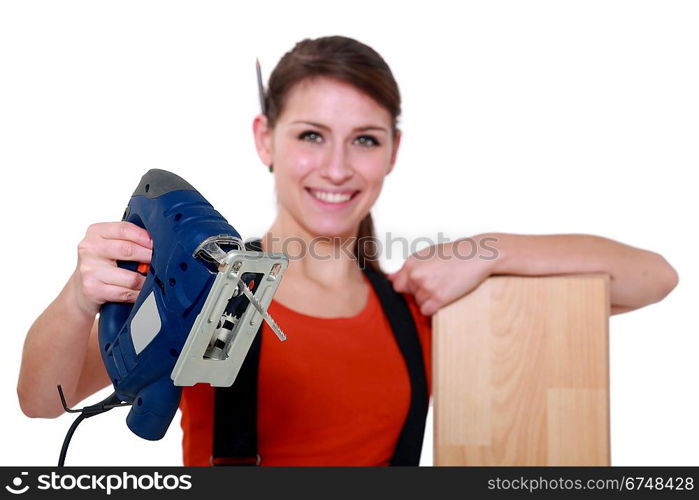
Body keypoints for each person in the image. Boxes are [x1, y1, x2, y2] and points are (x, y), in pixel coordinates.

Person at [17, 35, 679, 466]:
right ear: (264, 140)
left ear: (392, 150)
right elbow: (44, 401)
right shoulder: (199, 285)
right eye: (310, 135)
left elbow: (651, 277)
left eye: (363, 139)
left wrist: (489, 249)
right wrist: (78, 298)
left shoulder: (420, 303)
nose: (336, 168)